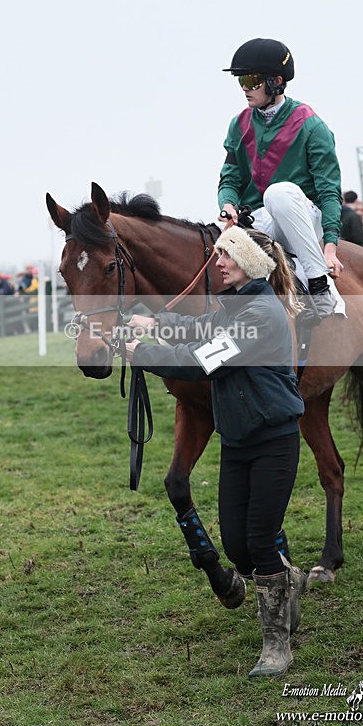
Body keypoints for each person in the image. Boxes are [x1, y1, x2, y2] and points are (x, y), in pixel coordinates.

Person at [125, 225, 306, 677]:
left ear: (248, 264)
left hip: (273, 442)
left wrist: (141, 351)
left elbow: (202, 358)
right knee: (237, 547)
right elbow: (197, 327)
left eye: (226, 255)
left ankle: (276, 646)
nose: (217, 262)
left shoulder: (262, 313)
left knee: (260, 541)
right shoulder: (233, 307)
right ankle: (288, 581)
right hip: (239, 442)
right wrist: (153, 323)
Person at [218, 37, 343, 321]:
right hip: (261, 221)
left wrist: (331, 246)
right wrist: (228, 205)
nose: (245, 88)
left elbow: (329, 191)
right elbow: (230, 178)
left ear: (276, 82)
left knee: (278, 194)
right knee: (214, 232)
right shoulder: (238, 125)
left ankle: (319, 285)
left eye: (251, 80)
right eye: (241, 81)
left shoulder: (312, 125)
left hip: (302, 216)